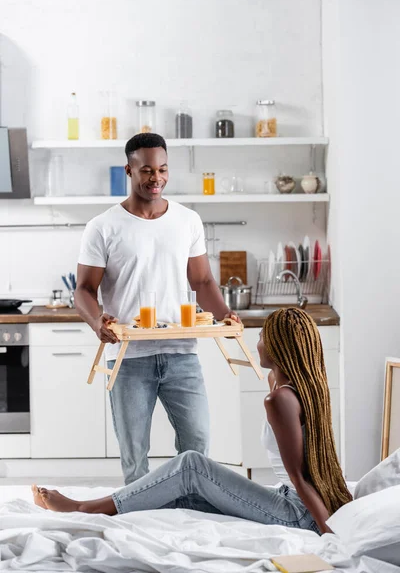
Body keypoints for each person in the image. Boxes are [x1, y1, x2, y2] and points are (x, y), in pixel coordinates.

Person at [32, 307, 352, 535]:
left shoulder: (280, 399)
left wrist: (332, 535)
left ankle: (83, 508)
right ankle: (113, 517)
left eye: (264, 336)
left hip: (297, 514)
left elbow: (298, 477)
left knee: (190, 465)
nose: (258, 342)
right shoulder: (291, 385)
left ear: (281, 348)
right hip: (290, 501)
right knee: (181, 494)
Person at [74, 133, 238, 484]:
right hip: (128, 357)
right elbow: (83, 290)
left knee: (197, 444)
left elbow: (203, 282)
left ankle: (187, 515)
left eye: (162, 169)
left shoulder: (187, 220)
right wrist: (95, 319)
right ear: (129, 170)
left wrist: (225, 315)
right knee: (135, 457)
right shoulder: (103, 227)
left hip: (181, 353)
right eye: (146, 170)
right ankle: (139, 527)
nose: (156, 178)